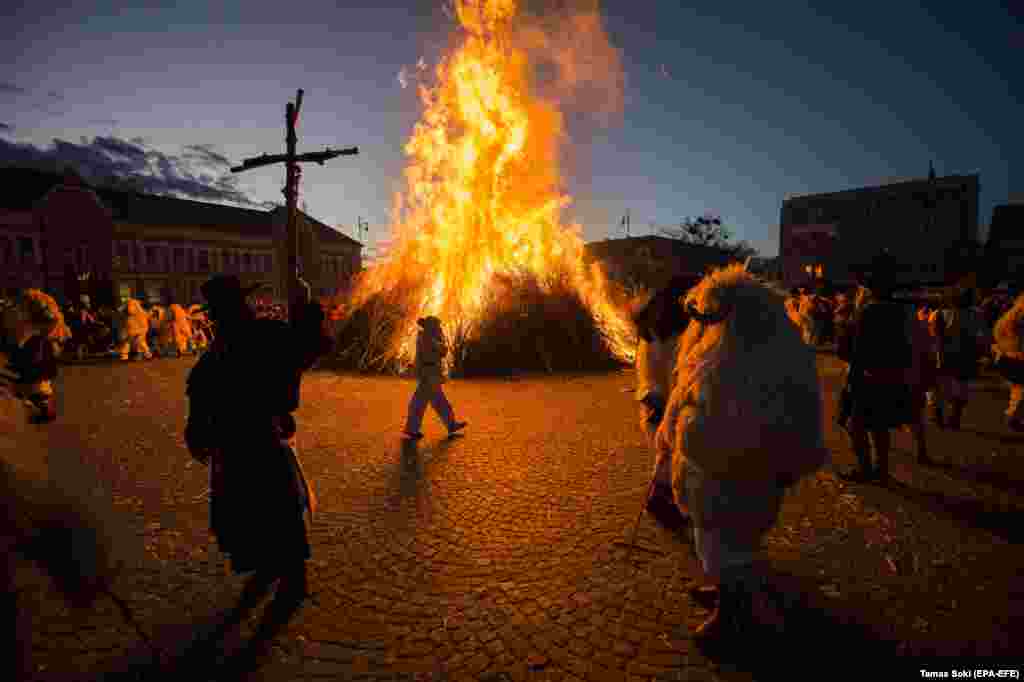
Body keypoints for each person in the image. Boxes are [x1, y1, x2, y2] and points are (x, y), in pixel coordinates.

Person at [655, 264, 828, 644]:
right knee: (716, 541)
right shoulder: (720, 348)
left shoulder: (756, 360)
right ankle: (726, 590)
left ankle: (734, 615)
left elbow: (772, 417)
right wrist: (673, 429)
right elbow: (690, 394)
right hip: (716, 475)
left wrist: (690, 432)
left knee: (729, 544)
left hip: (737, 475)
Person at [182, 274, 340, 666]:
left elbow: (199, 413)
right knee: (277, 507)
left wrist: (201, 433)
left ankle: (282, 570)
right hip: (255, 443)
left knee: (263, 507)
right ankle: (288, 575)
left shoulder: (220, 353)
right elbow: (312, 346)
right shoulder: (250, 342)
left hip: (238, 445)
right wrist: (304, 308)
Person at [840, 256, 928, 483]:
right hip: (895, 376)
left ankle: (866, 469)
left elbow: (855, 349)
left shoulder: (868, 312)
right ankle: (882, 470)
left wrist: (852, 379)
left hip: (868, 377)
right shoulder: (904, 313)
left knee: (855, 425)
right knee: (879, 426)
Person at [633, 276, 693, 531]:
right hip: (663, 402)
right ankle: (662, 501)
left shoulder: (653, 331)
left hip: (657, 401)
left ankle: (667, 500)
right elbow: (668, 373)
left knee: (669, 455)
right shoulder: (669, 335)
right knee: (670, 455)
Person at [402, 316, 467, 440]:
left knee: (431, 402)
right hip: (429, 375)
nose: (439, 328)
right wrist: (440, 338)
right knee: (428, 402)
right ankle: (413, 428)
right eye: (437, 326)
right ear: (431, 327)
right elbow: (442, 351)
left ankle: (449, 424)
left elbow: (441, 351)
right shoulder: (427, 339)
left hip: (429, 375)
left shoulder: (426, 337)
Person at [929, 289, 984, 431]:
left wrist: (938, 358)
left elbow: (936, 338)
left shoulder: (940, 314)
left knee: (939, 388)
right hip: (966, 356)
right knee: (961, 388)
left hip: (945, 355)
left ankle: (938, 415)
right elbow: (980, 337)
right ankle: (954, 417)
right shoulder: (976, 315)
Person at [6, 290, 62, 423]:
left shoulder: (33, 337)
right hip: (35, 380)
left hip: (31, 380)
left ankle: (32, 403)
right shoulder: (41, 337)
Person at [993, 292, 1024, 431]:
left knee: (1018, 388)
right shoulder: (1017, 316)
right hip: (1014, 358)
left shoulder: (1010, 315)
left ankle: (1013, 416)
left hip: (1006, 357)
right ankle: (1013, 416)